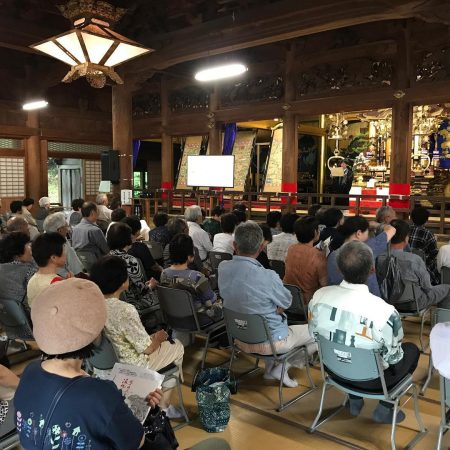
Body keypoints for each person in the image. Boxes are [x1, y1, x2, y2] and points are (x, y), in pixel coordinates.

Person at [14, 277, 164, 450]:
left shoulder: (30, 372)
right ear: (94, 333)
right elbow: (136, 442)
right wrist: (140, 409)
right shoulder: (100, 393)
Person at [309, 240, 419, 423]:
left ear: (339, 268)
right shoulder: (385, 312)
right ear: (372, 270)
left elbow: (314, 336)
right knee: (411, 351)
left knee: (344, 346)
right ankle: (385, 407)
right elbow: (394, 358)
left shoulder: (319, 297)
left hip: (334, 370)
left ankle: (354, 400)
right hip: (374, 381)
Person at [218, 221, 317, 388]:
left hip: (239, 337)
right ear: (261, 247)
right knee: (319, 332)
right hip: (271, 342)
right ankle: (282, 367)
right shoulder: (268, 276)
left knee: (263, 315)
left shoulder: (222, 267)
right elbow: (286, 301)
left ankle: (270, 371)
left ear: (234, 245)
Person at [90, 256, 185, 419]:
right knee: (177, 347)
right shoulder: (125, 310)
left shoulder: (91, 305)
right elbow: (147, 349)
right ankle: (163, 407)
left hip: (102, 368)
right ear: (121, 282)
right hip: (131, 367)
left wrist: (151, 338)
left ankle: (157, 394)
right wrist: (159, 337)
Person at [376, 219, 450, 310]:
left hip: (386, 302)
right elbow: (427, 287)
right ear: (406, 238)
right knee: (448, 288)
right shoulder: (414, 259)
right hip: (414, 303)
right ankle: (443, 322)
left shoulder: (378, 258)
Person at [107, 223, 160, 330]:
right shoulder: (130, 260)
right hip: (132, 303)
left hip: (113, 302)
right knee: (162, 297)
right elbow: (143, 291)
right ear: (127, 238)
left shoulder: (106, 257)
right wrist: (151, 285)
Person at [327, 216, 395, 297]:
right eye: (368, 231)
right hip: (368, 300)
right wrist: (375, 224)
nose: (369, 234)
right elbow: (392, 230)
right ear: (358, 233)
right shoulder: (368, 248)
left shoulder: (332, 255)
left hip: (338, 299)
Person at [161, 234, 220, 321]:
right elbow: (210, 299)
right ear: (189, 256)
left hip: (175, 319)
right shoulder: (196, 277)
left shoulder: (164, 273)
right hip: (198, 319)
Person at [284, 216, 327, 303]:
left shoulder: (291, 249)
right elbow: (324, 284)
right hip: (308, 302)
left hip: (289, 298)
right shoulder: (318, 255)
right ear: (315, 232)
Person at [27, 233, 67, 306]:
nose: (65, 254)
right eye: (64, 251)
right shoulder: (57, 283)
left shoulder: (32, 280)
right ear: (53, 258)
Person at [0, 232, 36, 308]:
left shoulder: (2, 268)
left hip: (9, 315)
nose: (31, 248)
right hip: (29, 313)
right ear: (17, 254)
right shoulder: (28, 271)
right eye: (28, 245)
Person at [122, 215, 162, 280]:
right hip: (146, 279)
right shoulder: (140, 247)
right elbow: (153, 266)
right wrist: (163, 270)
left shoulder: (119, 246)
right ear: (138, 231)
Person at [43, 212, 84, 277]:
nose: (68, 229)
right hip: (65, 278)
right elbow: (76, 269)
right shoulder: (62, 245)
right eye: (66, 226)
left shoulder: (42, 241)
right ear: (60, 230)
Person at [409, 206, 440, 285]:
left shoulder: (405, 229)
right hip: (422, 268)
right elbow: (434, 253)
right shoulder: (428, 234)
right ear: (426, 220)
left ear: (411, 218)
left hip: (406, 265)